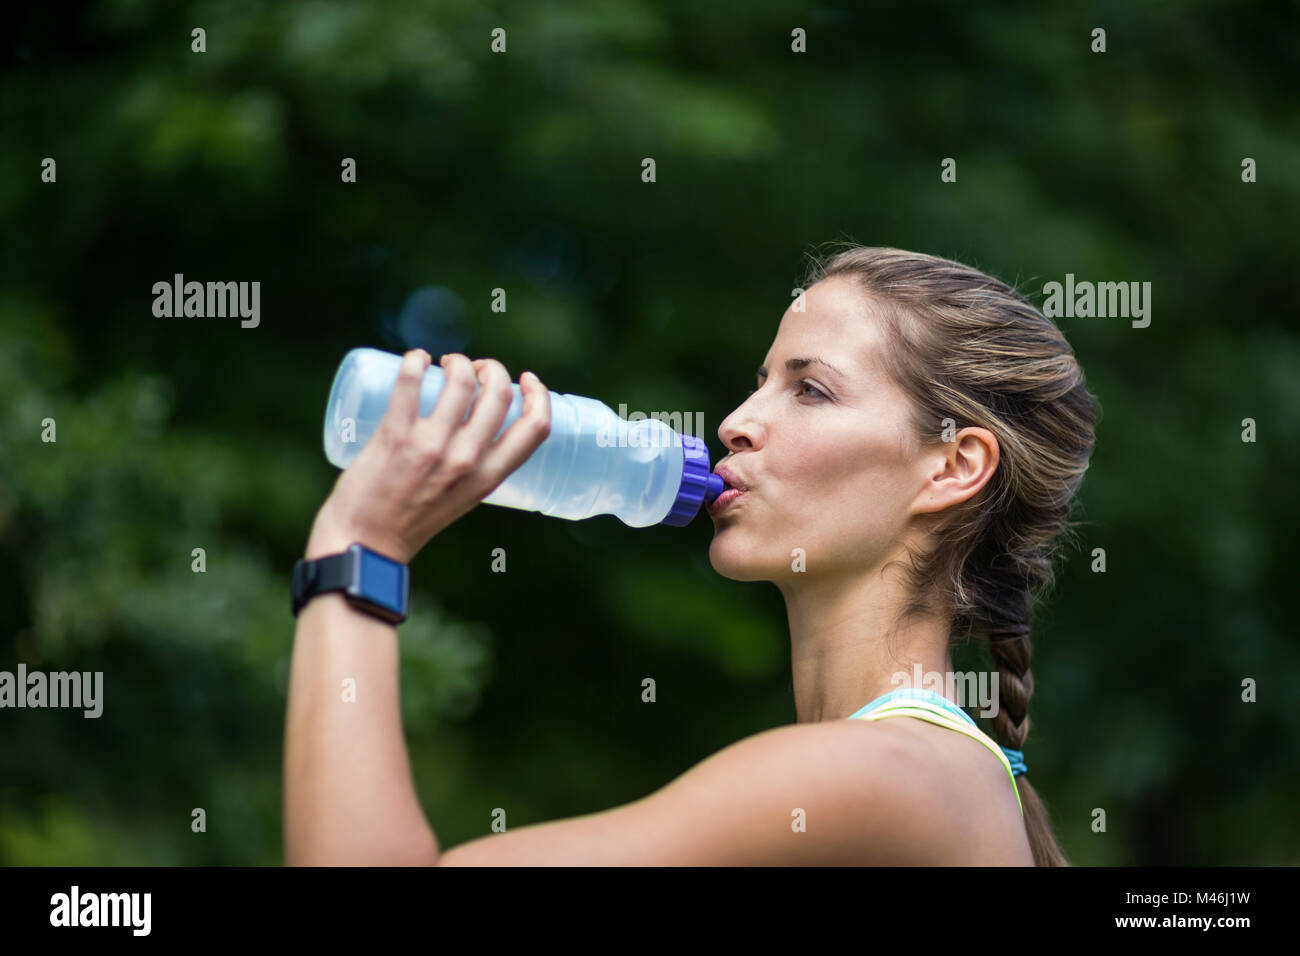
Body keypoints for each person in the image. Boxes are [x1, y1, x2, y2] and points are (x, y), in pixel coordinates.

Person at [283, 244, 1097, 866]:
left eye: (810, 390)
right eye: (761, 381)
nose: (737, 420)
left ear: (953, 466)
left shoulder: (892, 774)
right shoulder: (919, 775)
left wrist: (359, 546)